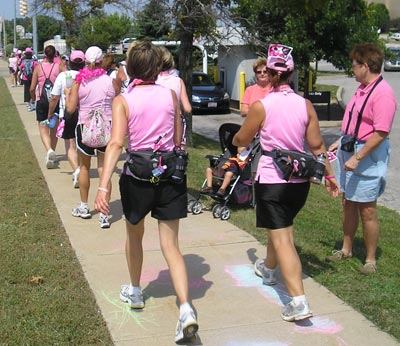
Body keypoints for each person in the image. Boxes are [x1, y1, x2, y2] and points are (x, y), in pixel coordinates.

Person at [94, 41, 199, 343]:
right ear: (156, 67)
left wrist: (104, 185)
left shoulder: (123, 99)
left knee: (134, 235)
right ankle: (186, 309)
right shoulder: (170, 94)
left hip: (137, 177)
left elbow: (115, 144)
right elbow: (178, 140)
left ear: (130, 68)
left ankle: (136, 290)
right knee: (171, 246)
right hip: (169, 176)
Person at [232, 43, 339, 322]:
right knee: (280, 228)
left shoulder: (261, 106)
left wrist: (236, 140)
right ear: (291, 73)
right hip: (299, 182)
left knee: (283, 238)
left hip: (272, 179)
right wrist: (329, 175)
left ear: (271, 73)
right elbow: (318, 147)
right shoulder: (305, 105)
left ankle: (298, 301)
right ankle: (268, 269)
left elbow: (241, 139)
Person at [325, 43, 397, 275]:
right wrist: (342, 140)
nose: (352, 69)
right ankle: (346, 249)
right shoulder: (361, 89)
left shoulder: (383, 93)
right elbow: (357, 122)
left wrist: (357, 157)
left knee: (367, 209)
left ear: (366, 66)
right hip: (352, 149)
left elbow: (381, 132)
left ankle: (370, 259)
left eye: (355, 65)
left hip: (367, 155)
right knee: (348, 203)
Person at [65, 46, 119, 229]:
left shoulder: (79, 81)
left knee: (84, 167)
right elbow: (118, 100)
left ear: (86, 61)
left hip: (85, 127)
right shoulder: (110, 81)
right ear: (101, 60)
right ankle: (104, 214)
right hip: (106, 127)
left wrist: (71, 94)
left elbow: (70, 109)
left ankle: (84, 206)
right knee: (105, 170)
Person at [48, 50, 86, 189]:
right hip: (84, 113)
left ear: (69, 62)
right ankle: (82, 168)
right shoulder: (87, 76)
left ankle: (76, 170)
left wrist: (50, 113)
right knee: (82, 144)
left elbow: (54, 97)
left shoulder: (63, 76)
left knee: (70, 145)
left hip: (68, 113)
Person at [30, 45, 60, 169]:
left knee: (43, 128)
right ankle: (52, 150)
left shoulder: (38, 68)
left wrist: (32, 98)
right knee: (54, 129)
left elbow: (32, 87)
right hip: (55, 100)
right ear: (55, 54)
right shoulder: (59, 67)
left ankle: (48, 151)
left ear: (45, 54)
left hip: (41, 101)